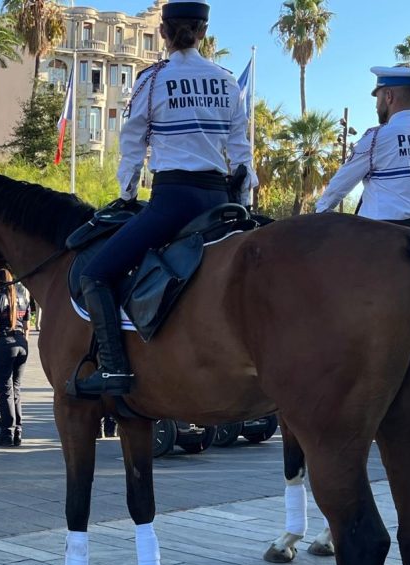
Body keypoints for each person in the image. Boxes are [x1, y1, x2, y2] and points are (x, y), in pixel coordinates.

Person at [72, 0, 256, 398]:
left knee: (95, 275)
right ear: (203, 33)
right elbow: (241, 151)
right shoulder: (226, 81)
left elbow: (132, 144)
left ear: (163, 33)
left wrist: (126, 193)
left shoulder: (152, 81)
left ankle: (114, 368)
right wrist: (243, 202)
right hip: (220, 202)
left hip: (173, 202)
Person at [316, 66, 410, 227]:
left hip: (377, 232)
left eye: (377, 98)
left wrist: (320, 211)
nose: (376, 106)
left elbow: (340, 185)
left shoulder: (376, 138)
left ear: (389, 96)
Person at [0, 270, 31, 447]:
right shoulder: (23, 297)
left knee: (5, 390)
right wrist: (23, 343)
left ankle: (7, 432)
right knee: (16, 389)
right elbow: (27, 326)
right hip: (21, 342)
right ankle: (18, 431)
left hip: (4, 344)